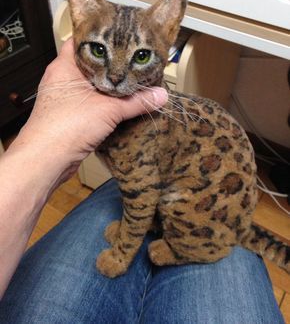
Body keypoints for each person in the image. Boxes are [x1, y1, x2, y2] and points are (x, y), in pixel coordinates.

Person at [0, 40, 284, 323]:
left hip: (205, 213)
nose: (115, 76)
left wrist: (123, 253)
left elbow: (141, 195)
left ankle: (192, 249)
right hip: (200, 193)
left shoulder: (146, 127)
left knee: (136, 198)